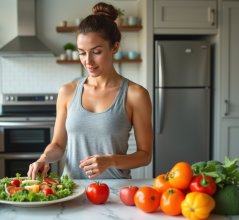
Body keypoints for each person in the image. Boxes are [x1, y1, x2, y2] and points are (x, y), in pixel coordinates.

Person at [27, 2, 153, 180]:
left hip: (115, 192)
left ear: (114, 48)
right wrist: (44, 158)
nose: (88, 61)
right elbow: (57, 144)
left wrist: (110, 161)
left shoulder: (136, 94)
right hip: (71, 189)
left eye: (96, 52)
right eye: (82, 53)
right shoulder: (67, 92)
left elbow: (145, 154)